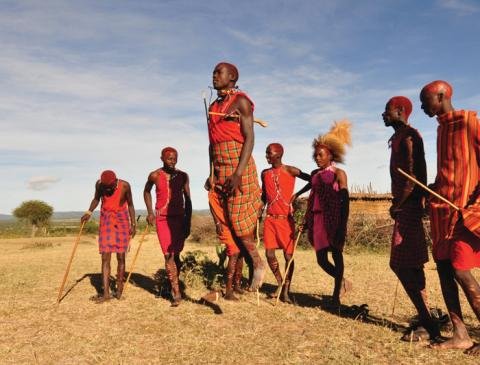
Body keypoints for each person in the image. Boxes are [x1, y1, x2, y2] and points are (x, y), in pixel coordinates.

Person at [420, 80, 480, 354]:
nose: (422, 106)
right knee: (444, 269)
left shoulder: (470, 124)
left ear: (442, 96)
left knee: (460, 270)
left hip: (464, 212)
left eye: (425, 100)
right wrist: (433, 189)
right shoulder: (442, 130)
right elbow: (448, 172)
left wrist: (474, 204)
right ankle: (460, 334)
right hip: (443, 212)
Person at [205, 62, 265, 300]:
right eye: (214, 72)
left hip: (239, 167)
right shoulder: (213, 107)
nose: (214, 75)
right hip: (220, 168)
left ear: (232, 77)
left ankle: (258, 262)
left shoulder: (241, 101)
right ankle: (235, 282)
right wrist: (211, 172)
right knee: (227, 223)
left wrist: (238, 173)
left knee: (240, 223)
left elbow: (250, 138)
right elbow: (212, 144)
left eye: (219, 72)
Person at [382, 96, 440, 341]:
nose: (383, 115)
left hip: (409, 206)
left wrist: (400, 204)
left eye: (387, 111)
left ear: (400, 111)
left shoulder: (409, 136)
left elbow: (416, 176)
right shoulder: (398, 137)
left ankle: (428, 323)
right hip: (405, 205)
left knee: (400, 264)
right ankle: (427, 315)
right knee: (414, 264)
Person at [297, 120, 352, 306]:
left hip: (334, 220)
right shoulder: (315, 174)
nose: (317, 158)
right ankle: (343, 282)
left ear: (331, 155)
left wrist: (342, 223)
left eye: (320, 155)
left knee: (336, 255)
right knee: (321, 260)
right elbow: (311, 191)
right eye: (315, 155)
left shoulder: (339, 173)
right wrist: (304, 216)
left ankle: (336, 296)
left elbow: (345, 199)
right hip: (317, 220)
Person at [260, 143, 310, 303]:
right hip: (270, 219)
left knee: (288, 256)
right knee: (269, 254)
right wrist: (259, 211)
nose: (267, 156)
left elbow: (313, 180)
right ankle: (280, 283)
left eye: (269, 153)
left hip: (285, 220)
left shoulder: (290, 170)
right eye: (266, 153)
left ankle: (286, 291)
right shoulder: (264, 173)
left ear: (279, 155)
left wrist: (297, 194)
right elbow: (264, 196)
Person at [144, 147, 192, 307]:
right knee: (168, 255)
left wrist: (188, 220)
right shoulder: (155, 175)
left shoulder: (183, 176)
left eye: (175, 158)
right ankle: (176, 292)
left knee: (176, 254)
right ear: (162, 158)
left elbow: (188, 199)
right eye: (169, 158)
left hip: (179, 218)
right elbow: (146, 191)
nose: (172, 161)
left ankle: (172, 281)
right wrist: (150, 212)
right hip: (162, 219)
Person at [81, 170, 136, 302]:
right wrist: (88, 212)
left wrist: (133, 224)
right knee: (105, 257)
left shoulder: (125, 186)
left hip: (122, 219)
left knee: (121, 256)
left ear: (115, 182)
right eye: (105, 188)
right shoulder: (99, 185)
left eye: (110, 187)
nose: (108, 190)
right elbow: (96, 199)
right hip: (106, 219)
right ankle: (106, 294)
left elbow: (131, 205)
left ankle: (119, 291)